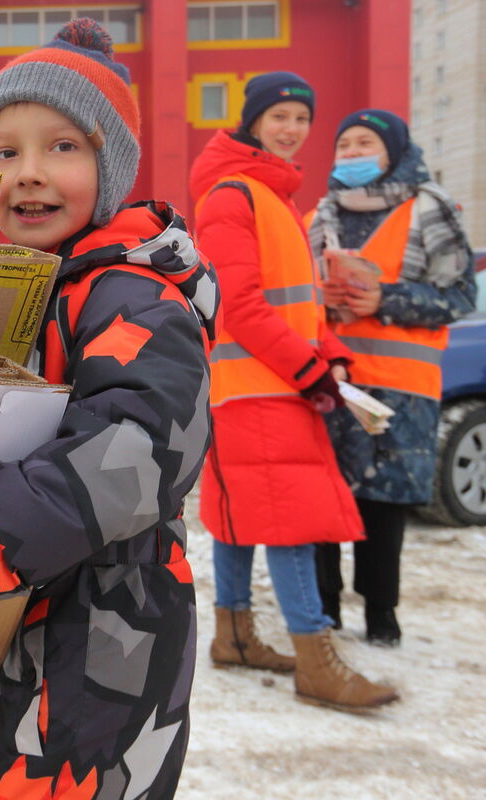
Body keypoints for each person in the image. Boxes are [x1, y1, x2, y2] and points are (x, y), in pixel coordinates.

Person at [0, 19, 220, 799]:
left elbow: (138, 455)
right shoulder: (37, 288)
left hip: (103, 643)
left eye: (62, 147)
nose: (28, 173)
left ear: (112, 166)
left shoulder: (133, 296)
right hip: (37, 614)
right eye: (5, 152)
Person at [190, 73, 399, 712]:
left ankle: (235, 634)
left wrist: (328, 353)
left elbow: (296, 308)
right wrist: (308, 370)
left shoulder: (272, 197)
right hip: (259, 387)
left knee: (242, 515)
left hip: (263, 383)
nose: (291, 128)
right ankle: (316, 658)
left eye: (301, 119)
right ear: (253, 121)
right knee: (289, 521)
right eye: (279, 115)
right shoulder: (233, 195)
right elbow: (242, 307)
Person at [309, 109, 478, 646]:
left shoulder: (429, 207)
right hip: (334, 380)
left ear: (394, 150)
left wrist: (387, 299)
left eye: (366, 143)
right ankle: (325, 612)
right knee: (326, 500)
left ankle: (382, 614)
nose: (353, 153)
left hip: (402, 387)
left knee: (384, 504)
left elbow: (461, 296)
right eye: (345, 145)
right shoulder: (320, 214)